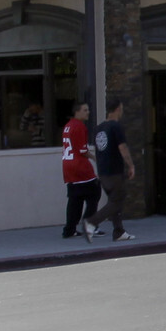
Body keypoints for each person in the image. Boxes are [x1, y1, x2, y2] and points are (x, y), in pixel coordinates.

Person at [91, 98, 137, 242]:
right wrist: (131, 165)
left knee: (114, 200)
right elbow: (122, 148)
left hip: (103, 171)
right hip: (114, 171)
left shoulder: (99, 128)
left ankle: (119, 232)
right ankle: (91, 222)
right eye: (121, 108)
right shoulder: (116, 127)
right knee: (117, 200)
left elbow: (99, 150)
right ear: (118, 109)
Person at [60, 100, 100, 241]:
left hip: (68, 166)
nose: (88, 112)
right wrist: (95, 158)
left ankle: (69, 229)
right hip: (80, 166)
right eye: (85, 110)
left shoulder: (68, 126)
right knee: (94, 193)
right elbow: (83, 150)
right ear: (77, 112)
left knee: (75, 199)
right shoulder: (80, 126)